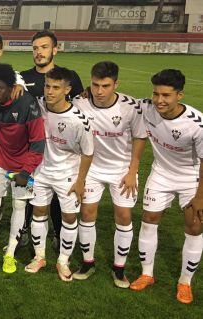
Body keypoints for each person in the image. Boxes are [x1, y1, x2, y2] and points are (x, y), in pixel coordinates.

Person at [130, 69, 203, 305]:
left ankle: (184, 281)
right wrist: (89, 91)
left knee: (194, 226)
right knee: (148, 219)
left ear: (179, 95)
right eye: (156, 94)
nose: (159, 100)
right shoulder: (148, 108)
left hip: (190, 177)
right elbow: (116, 97)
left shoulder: (197, 124)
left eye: (166, 95)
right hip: (161, 173)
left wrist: (201, 197)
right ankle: (147, 274)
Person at [71, 61, 146, 287]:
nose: (99, 91)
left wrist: (133, 171)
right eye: (95, 85)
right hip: (91, 169)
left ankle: (119, 269)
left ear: (116, 84)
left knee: (123, 216)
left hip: (121, 170)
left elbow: (139, 137)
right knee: (87, 213)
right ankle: (87, 263)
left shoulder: (130, 106)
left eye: (105, 86)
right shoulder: (79, 102)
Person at [24, 67, 94, 282]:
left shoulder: (80, 121)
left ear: (67, 90)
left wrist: (80, 181)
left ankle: (63, 261)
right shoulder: (38, 105)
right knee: (38, 212)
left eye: (56, 87)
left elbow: (88, 153)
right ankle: (40, 257)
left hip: (67, 174)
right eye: (47, 86)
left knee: (69, 217)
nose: (50, 92)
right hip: (42, 170)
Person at [19, 30, 85, 255]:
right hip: (33, 150)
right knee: (30, 193)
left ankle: (58, 233)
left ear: (55, 49)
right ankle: (25, 229)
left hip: (62, 152)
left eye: (44, 47)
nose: (39, 52)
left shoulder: (70, 77)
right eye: (35, 48)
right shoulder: (23, 77)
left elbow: (79, 106)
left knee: (59, 197)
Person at [0, 63, 45, 274]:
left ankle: (10, 254)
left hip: (23, 166)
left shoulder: (27, 103)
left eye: (0, 89)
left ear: (11, 87)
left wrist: (26, 172)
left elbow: (38, 142)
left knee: (19, 207)